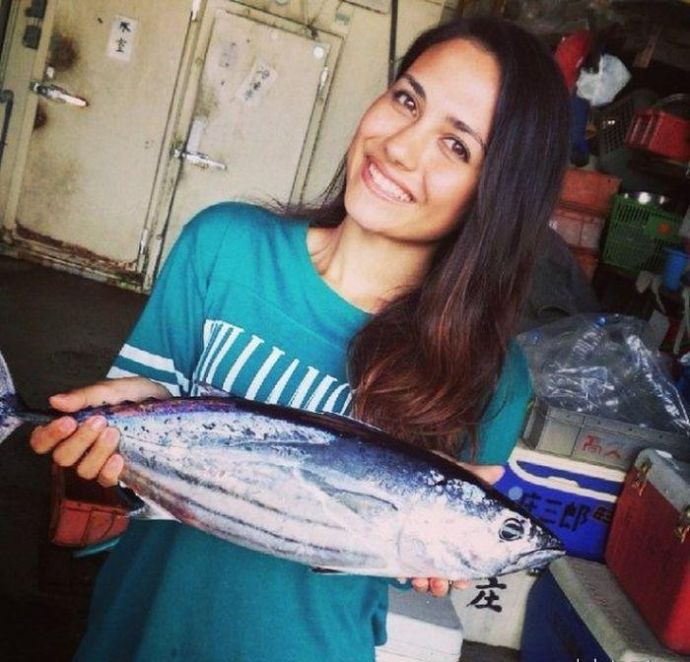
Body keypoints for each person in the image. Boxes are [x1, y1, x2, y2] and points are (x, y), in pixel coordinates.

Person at [30, 14, 569, 662]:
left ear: (498, 195)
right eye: (407, 100)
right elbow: (115, 484)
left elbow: (399, 565)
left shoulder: (493, 381)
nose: (400, 147)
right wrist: (121, 431)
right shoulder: (223, 246)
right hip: (137, 636)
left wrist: (435, 549)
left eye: (456, 146)